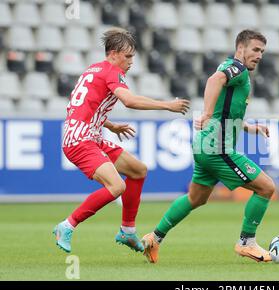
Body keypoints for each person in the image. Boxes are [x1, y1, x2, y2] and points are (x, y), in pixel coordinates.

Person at [141, 30, 276, 263]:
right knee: (266, 187)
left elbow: (227, 111)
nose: (259, 55)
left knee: (196, 198)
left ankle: (154, 237)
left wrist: (250, 128)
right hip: (217, 148)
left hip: (204, 146)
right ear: (241, 48)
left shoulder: (229, 67)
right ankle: (247, 242)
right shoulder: (238, 69)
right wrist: (206, 112)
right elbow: (214, 81)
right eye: (255, 49)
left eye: (262, 51)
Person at [53, 28, 190, 253]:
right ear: (114, 53)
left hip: (88, 135)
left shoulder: (92, 70)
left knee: (138, 170)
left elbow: (82, 106)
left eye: (133, 56)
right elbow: (129, 101)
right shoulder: (111, 72)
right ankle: (67, 226)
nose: (131, 61)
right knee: (117, 186)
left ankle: (127, 231)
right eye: (128, 56)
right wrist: (167, 105)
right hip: (81, 140)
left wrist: (110, 125)